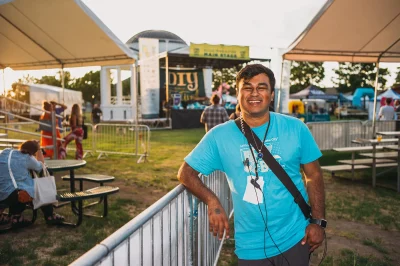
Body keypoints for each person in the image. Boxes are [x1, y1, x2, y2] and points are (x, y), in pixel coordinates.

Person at [178, 64, 325, 265]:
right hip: (250, 245)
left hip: (295, 237)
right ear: (237, 95)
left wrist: (318, 222)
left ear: (272, 95)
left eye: (261, 87)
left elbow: (314, 175)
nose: (254, 93)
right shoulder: (218, 136)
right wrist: (212, 201)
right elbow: (186, 173)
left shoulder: (296, 128)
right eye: (247, 87)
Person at [0, 140, 64, 229]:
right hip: (15, 194)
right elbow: (41, 166)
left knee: (19, 185)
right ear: (32, 153)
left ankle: (16, 217)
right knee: (41, 188)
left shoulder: (6, 151)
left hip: (2, 191)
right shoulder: (27, 158)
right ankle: (50, 215)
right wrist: (39, 150)